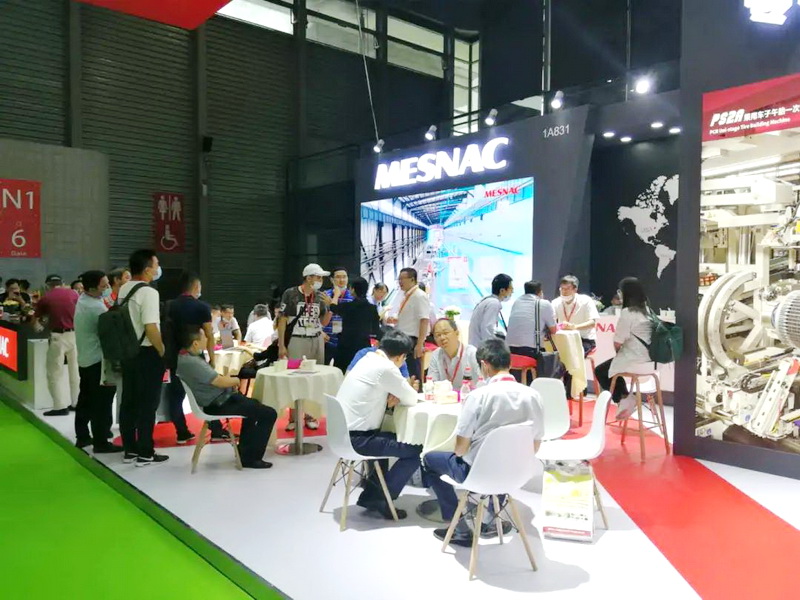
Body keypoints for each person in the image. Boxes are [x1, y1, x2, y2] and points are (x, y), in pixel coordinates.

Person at [423, 338, 544, 546]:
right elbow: (535, 444)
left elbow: (460, 450)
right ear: (510, 363)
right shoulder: (533, 395)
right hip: (518, 472)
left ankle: (459, 527)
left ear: (484, 365)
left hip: (477, 474)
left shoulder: (478, 396)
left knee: (429, 460)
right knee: (507, 457)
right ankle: (490, 521)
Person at [337, 330, 421, 519]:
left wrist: (387, 399)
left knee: (385, 438)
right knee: (416, 451)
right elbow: (411, 398)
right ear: (400, 357)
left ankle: (371, 497)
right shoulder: (386, 368)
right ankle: (383, 500)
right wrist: (398, 394)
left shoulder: (367, 358)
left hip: (342, 435)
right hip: (359, 440)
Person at [177, 326, 277, 469]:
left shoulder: (185, 358)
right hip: (217, 403)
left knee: (254, 405)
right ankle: (251, 458)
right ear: (195, 343)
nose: (207, 339)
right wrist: (236, 380)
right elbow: (219, 381)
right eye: (204, 337)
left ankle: (246, 452)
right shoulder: (192, 362)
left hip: (218, 399)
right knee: (269, 413)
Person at [118, 249, 168, 466]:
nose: (157, 269)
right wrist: (162, 350)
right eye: (156, 265)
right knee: (148, 403)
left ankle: (130, 449)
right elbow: (151, 327)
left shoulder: (124, 288)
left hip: (128, 351)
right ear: (147, 270)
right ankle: (145, 451)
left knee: (129, 400)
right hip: (147, 352)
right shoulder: (148, 292)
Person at [165, 271, 228, 444]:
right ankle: (216, 429)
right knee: (207, 391)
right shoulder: (201, 307)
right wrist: (212, 359)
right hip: (194, 354)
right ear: (195, 286)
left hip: (173, 356)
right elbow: (209, 335)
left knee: (175, 396)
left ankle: (182, 432)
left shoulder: (169, 305)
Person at [277, 263, 332, 430]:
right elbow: (282, 319)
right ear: (308, 278)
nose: (321, 281)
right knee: (295, 378)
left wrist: (330, 307)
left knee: (315, 378)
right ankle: (293, 418)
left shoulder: (320, 296)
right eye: (318, 277)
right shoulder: (291, 294)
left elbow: (323, 322)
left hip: (316, 339)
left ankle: (311, 415)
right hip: (297, 339)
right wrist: (281, 345)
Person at [73, 270, 121, 453]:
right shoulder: (96, 309)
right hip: (97, 361)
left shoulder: (84, 300)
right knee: (102, 402)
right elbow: (110, 332)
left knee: (86, 399)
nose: (108, 287)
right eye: (104, 285)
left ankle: (83, 436)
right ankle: (101, 441)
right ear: (92, 288)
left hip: (85, 358)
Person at [594, 277, 654, 420]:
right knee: (613, 366)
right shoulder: (647, 310)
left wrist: (618, 350)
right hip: (649, 362)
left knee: (601, 370)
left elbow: (618, 341)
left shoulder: (628, 313)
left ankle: (623, 399)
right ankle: (625, 398)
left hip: (633, 361)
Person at [33, 275, 80, 417]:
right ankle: (76, 403)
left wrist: (38, 327)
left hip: (58, 337)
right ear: (62, 283)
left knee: (54, 372)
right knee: (75, 372)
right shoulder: (73, 294)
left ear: (47, 285)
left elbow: (35, 320)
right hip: (75, 335)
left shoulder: (46, 297)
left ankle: (59, 406)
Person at [551, 275, 599, 397]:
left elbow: (593, 322)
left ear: (575, 289)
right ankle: (573, 390)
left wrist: (575, 327)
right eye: (562, 289)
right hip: (564, 340)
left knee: (571, 357)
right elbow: (551, 321)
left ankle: (569, 392)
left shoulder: (585, 301)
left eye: (567, 289)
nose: (564, 292)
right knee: (554, 357)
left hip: (585, 339)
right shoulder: (556, 302)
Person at [322, 276, 380, 372]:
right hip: (363, 346)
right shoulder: (372, 308)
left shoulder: (348, 306)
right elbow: (376, 330)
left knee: (342, 372)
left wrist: (335, 296)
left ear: (352, 289)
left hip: (346, 346)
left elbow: (334, 308)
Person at [387, 268, 429, 381]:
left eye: (402, 279)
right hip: (404, 338)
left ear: (412, 279)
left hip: (412, 340)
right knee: (405, 373)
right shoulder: (408, 295)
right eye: (399, 279)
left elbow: (424, 320)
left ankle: (416, 391)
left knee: (413, 372)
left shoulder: (419, 296)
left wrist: (419, 344)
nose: (400, 282)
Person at [505, 280, 558, 359]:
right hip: (531, 351)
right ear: (540, 292)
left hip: (509, 350)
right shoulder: (544, 303)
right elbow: (553, 330)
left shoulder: (517, 302)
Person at [427, 318, 480, 390]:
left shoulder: (472, 353)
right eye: (438, 335)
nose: (442, 338)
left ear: (457, 333)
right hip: (444, 396)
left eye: (445, 333)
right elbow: (432, 383)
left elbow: (482, 380)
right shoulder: (436, 355)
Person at [468, 273, 514, 347]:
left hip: (476, 345)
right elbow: (487, 329)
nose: (512, 292)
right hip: (480, 348)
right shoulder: (493, 303)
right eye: (511, 289)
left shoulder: (488, 300)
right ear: (502, 291)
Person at [323, 267, 354, 365]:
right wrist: (320, 332)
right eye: (338, 277)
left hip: (345, 341)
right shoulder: (325, 295)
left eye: (344, 277)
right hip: (326, 339)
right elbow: (316, 317)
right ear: (332, 279)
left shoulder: (353, 296)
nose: (342, 280)